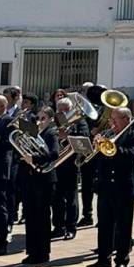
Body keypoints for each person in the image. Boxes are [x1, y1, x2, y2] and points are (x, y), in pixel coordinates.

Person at [86, 106, 134, 267]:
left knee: (123, 225)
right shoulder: (108, 134)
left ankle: (122, 260)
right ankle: (103, 259)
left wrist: (111, 148)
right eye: (111, 119)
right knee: (104, 225)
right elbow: (99, 160)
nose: (112, 123)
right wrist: (97, 147)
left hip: (123, 186)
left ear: (127, 119)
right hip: (105, 186)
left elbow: (131, 156)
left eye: (115, 120)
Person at [18, 108, 57, 267]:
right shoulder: (32, 134)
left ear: (51, 119)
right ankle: (32, 251)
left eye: (43, 118)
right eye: (38, 118)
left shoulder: (50, 134)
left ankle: (43, 253)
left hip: (44, 179)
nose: (39, 121)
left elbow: (54, 154)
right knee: (30, 215)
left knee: (42, 216)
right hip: (30, 178)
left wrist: (34, 158)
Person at [51, 97, 84, 240]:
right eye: (60, 110)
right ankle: (58, 226)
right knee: (56, 198)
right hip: (56, 164)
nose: (63, 113)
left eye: (66, 110)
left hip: (71, 164)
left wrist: (68, 135)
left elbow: (84, 138)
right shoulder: (54, 121)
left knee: (71, 198)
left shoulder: (79, 121)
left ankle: (71, 227)